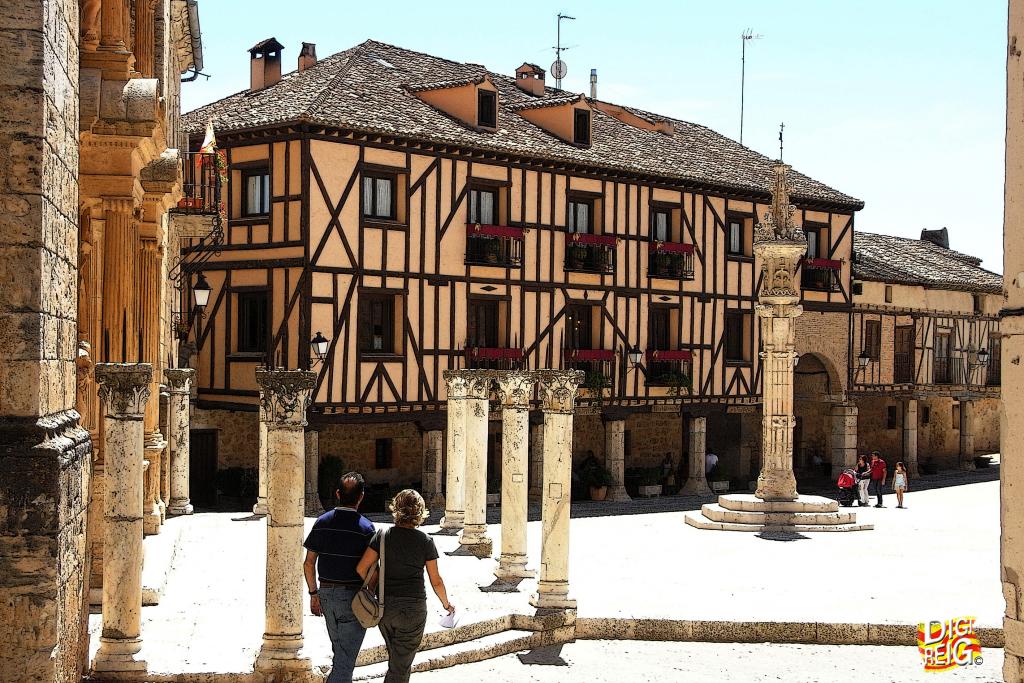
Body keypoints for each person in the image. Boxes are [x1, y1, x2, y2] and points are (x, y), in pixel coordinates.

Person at [356, 489, 455, 683]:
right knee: (400, 666)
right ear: (420, 512)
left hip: (386, 608)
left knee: (398, 662)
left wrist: (376, 586)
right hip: (414, 610)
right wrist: (446, 604)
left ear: (396, 508)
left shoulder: (382, 536)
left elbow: (362, 568)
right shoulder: (426, 541)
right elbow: (436, 581)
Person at [303, 472, 376, 683]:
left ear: (337, 494)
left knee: (341, 655)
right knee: (345, 660)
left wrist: (313, 593)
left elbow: (308, 563)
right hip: (352, 599)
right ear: (361, 496)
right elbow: (371, 568)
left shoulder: (321, 523)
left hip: (326, 595)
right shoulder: (366, 528)